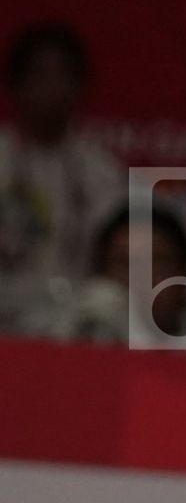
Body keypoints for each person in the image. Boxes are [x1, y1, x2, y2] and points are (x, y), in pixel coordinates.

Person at [0, 21, 124, 332]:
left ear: (80, 88)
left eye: (64, 76)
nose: (52, 88)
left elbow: (117, 256)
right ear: (16, 85)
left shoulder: (101, 170)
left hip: (73, 326)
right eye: (39, 75)